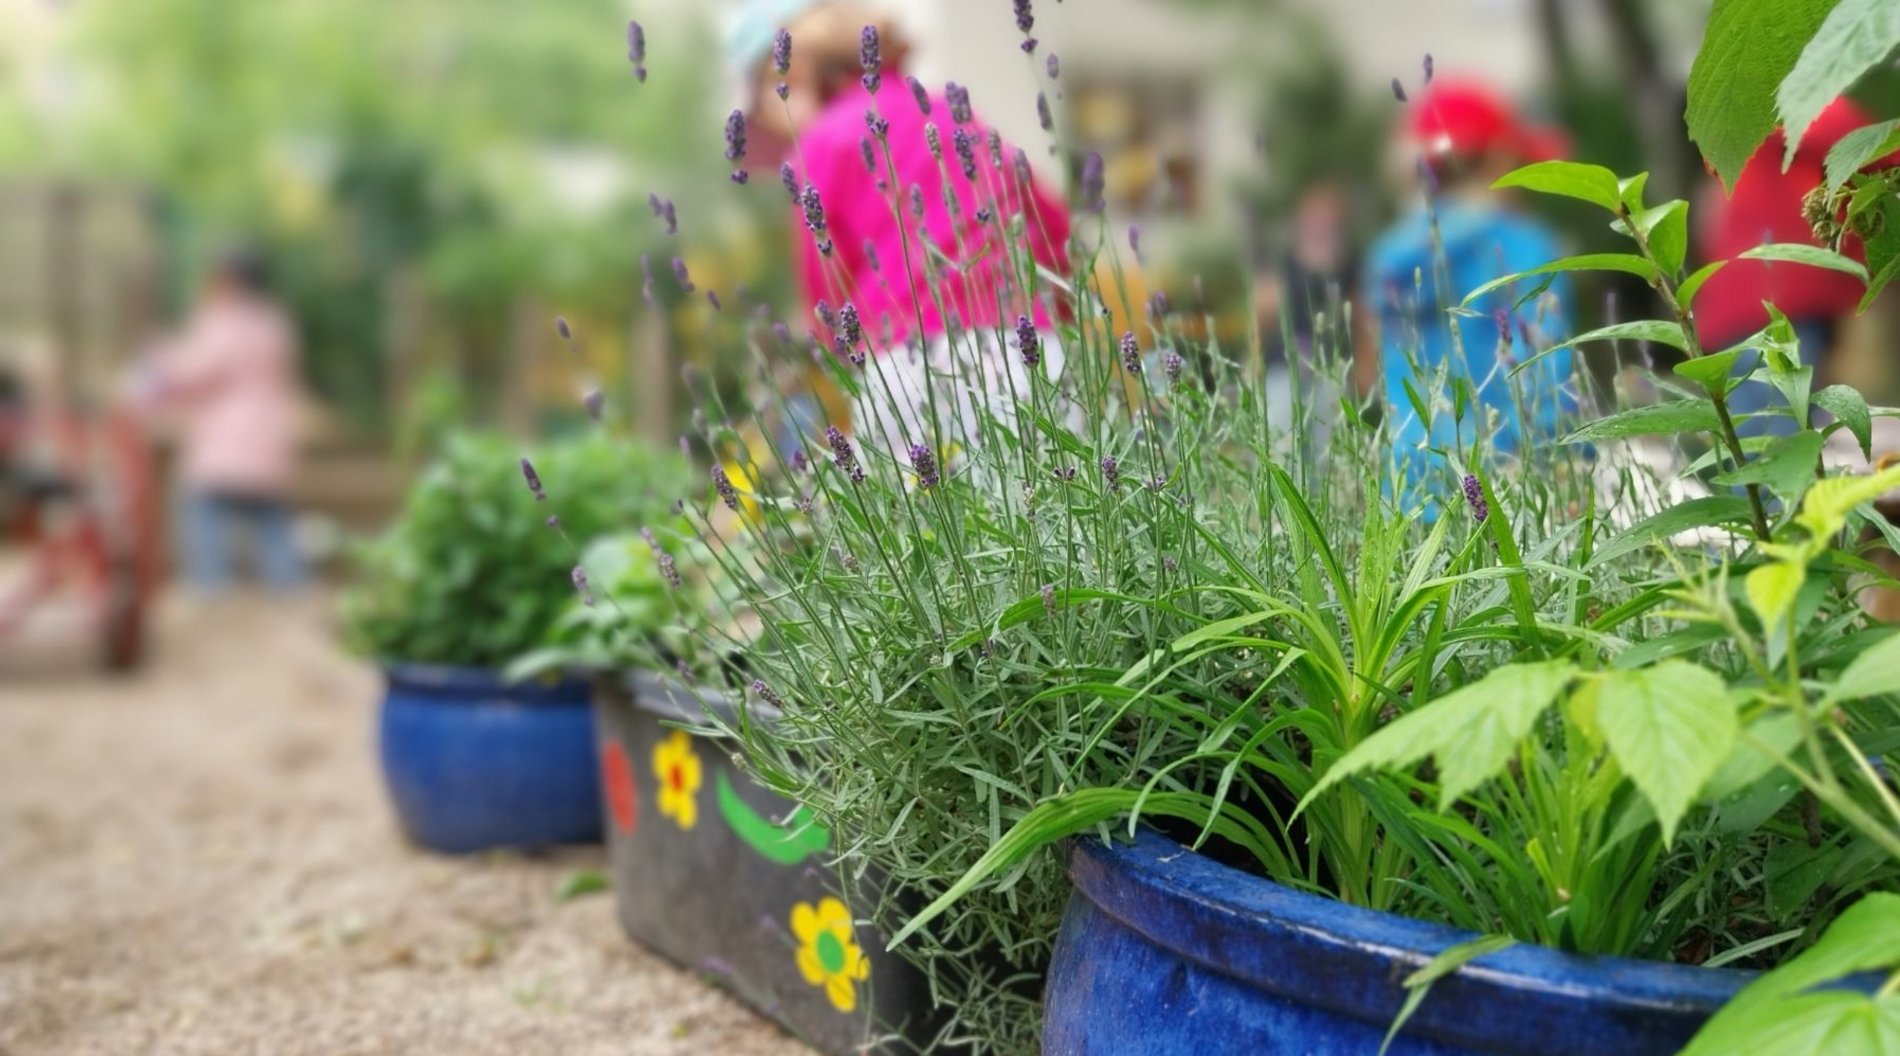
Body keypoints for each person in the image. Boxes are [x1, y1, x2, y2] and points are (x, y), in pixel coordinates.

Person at [730, 1, 1073, 460]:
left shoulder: (824, 142)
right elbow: (1050, 220)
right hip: (1029, 356)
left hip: (912, 369)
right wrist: (1059, 315)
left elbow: (826, 285)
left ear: (812, 75)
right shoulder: (957, 116)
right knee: (1048, 518)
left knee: (927, 525)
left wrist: (837, 361)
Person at [1361, 78, 1576, 509]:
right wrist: (1566, 464)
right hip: (1511, 490)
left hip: (1409, 493)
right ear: (1501, 158)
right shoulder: (1523, 247)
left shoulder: (1387, 256)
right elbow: (1548, 380)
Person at [1693, 98, 1896, 440]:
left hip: (1739, 309)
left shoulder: (1748, 137)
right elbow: (1878, 146)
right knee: (1776, 434)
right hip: (1782, 303)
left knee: (1771, 431)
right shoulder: (1815, 112)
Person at [131, 249, 305, 593]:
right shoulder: (273, 322)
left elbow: (194, 372)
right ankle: (290, 585)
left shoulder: (225, 322)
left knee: (205, 511)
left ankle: (211, 586)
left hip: (228, 439)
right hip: (268, 433)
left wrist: (157, 354)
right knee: (269, 516)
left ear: (231, 282)